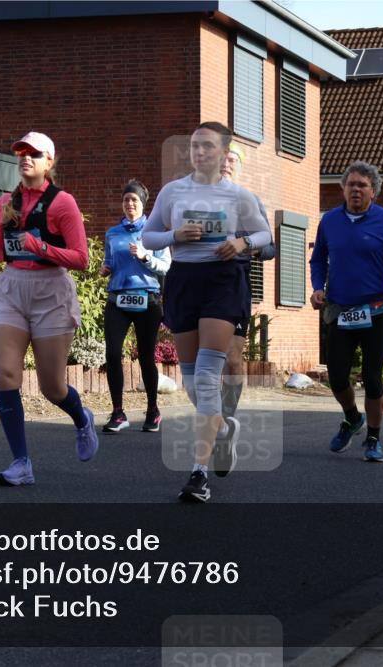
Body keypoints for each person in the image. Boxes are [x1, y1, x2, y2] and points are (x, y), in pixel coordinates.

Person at [142, 122, 272, 503]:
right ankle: (223, 427)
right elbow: (149, 237)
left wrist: (241, 241)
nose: (199, 152)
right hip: (184, 281)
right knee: (190, 379)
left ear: (222, 153)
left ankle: (199, 474)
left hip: (222, 281)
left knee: (208, 372)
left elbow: (265, 236)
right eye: (195, 146)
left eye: (207, 147)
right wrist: (175, 237)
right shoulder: (173, 191)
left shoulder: (239, 195)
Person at [0, 131, 98, 485]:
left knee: (52, 387)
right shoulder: (6, 202)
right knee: (6, 374)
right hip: (11, 289)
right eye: (21, 152)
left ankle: (82, 419)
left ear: (49, 161)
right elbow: (2, 250)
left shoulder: (62, 203)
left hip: (51, 292)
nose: (26, 157)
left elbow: (81, 258)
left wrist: (41, 247)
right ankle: (21, 463)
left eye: (34, 153)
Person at [310, 160, 383, 462]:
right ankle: (352, 417)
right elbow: (318, 260)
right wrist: (318, 287)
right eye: (350, 184)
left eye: (362, 185)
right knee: (338, 377)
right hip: (341, 310)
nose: (355, 189)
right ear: (342, 189)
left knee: (372, 378)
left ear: (373, 192)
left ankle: (373, 437)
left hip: (377, 310)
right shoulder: (329, 221)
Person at [99, 180, 171, 433]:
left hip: (148, 299)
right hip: (118, 298)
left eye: (135, 200)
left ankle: (153, 410)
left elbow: (166, 266)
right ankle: (118, 413)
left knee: (146, 356)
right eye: (126, 200)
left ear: (143, 204)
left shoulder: (154, 233)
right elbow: (109, 261)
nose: (130, 204)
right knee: (112, 354)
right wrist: (105, 269)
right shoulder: (113, 233)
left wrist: (145, 256)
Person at [219, 142, 277, 424]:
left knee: (232, 358)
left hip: (235, 287)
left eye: (232, 160)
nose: (226, 164)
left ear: (239, 168)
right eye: (222, 159)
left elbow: (270, 249)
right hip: (201, 286)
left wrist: (247, 245)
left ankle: (226, 416)